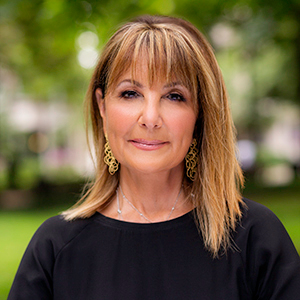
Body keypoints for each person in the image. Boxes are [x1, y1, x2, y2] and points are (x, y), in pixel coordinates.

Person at [8, 15, 300, 300]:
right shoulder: (55, 248)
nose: (150, 118)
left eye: (174, 96)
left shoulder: (256, 239)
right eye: (130, 93)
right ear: (102, 106)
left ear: (200, 115)